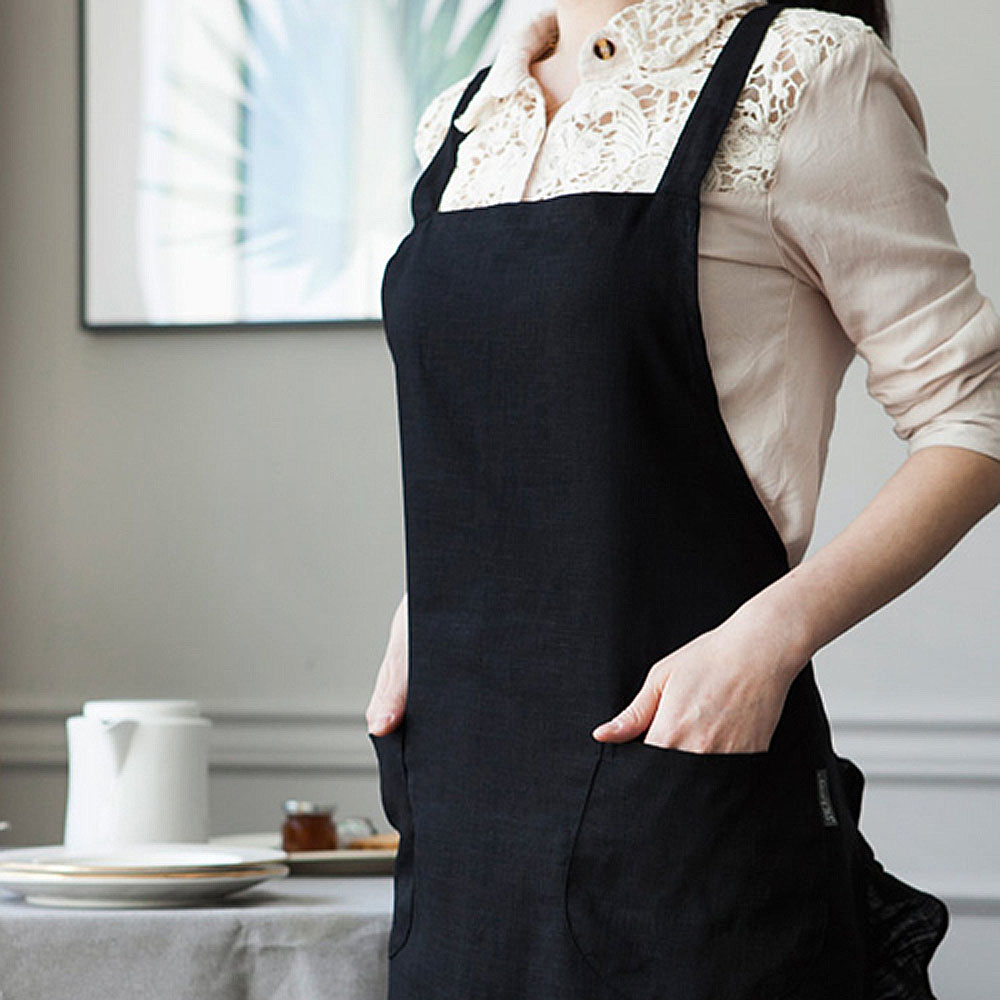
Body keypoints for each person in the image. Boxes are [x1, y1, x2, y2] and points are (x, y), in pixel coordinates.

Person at [367, 1, 1000, 997]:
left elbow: (974, 413)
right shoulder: (464, 112)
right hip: (464, 804)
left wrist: (771, 636)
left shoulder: (801, 72)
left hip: (685, 803)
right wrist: (432, 601)